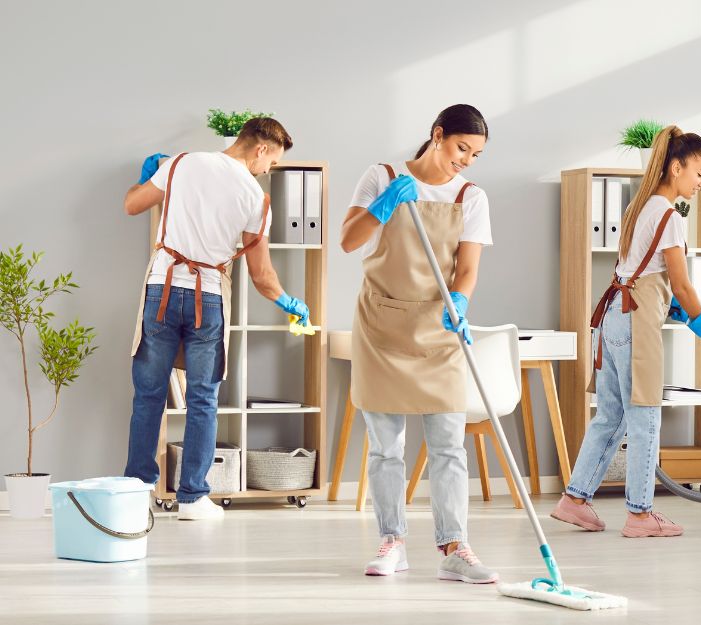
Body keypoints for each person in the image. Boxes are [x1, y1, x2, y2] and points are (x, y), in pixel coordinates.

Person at [122, 117, 311, 521]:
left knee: (149, 394)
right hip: (208, 297)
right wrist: (289, 301)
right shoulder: (256, 199)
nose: (268, 171)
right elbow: (262, 277)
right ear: (260, 149)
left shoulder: (180, 163)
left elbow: (132, 204)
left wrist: (148, 178)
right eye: (272, 162)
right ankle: (191, 498)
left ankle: (137, 491)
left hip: (162, 287)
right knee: (203, 399)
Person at [339, 104, 497, 583]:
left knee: (449, 446)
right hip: (381, 325)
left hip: (438, 328)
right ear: (437, 135)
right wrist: (383, 203)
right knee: (386, 447)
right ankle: (392, 542)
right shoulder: (382, 175)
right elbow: (349, 240)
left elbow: (466, 270)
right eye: (461, 148)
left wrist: (461, 304)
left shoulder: (471, 196)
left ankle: (455, 548)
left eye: (476, 154)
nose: (466, 160)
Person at [550, 126, 701, 538]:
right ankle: (640, 513)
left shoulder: (641, 206)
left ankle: (574, 499)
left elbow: (643, 273)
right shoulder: (670, 217)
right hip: (635, 322)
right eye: (699, 173)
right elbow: (682, 284)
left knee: (611, 416)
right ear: (677, 166)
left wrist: (680, 311)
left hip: (616, 314)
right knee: (645, 415)